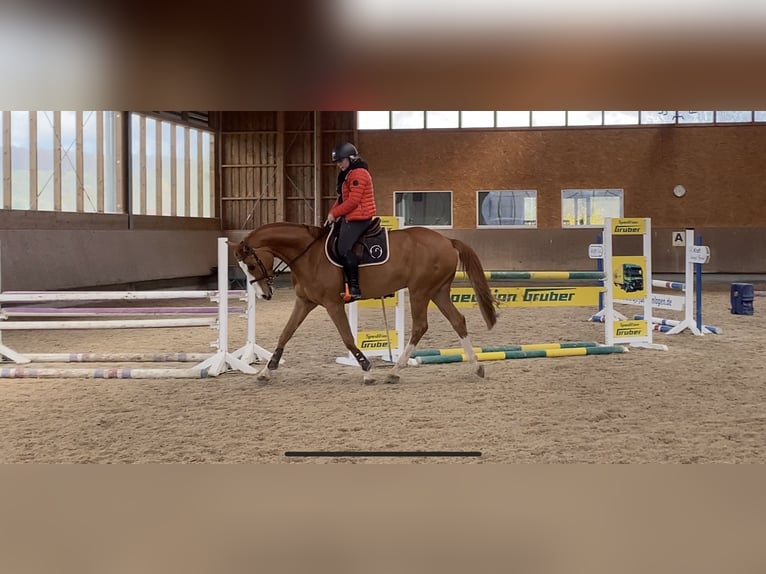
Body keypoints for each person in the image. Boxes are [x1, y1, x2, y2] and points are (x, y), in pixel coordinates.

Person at [325, 142, 377, 301]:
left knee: (343, 248)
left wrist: (335, 213)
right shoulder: (348, 174)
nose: (339, 164)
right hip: (351, 216)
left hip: (360, 217)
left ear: (351, 158)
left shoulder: (358, 173)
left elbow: (353, 201)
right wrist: (331, 214)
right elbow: (342, 199)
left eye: (341, 160)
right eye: (337, 162)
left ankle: (354, 288)